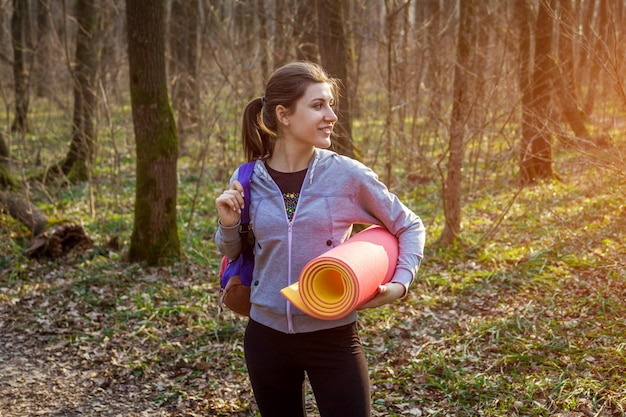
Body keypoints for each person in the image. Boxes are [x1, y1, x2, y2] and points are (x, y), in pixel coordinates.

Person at [215, 61, 425, 417]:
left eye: (330, 104)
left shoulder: (346, 175)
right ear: (283, 114)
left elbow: (409, 225)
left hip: (333, 336)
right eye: (318, 105)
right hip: (266, 336)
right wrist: (229, 224)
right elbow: (234, 251)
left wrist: (401, 282)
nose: (331, 116)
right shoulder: (249, 177)